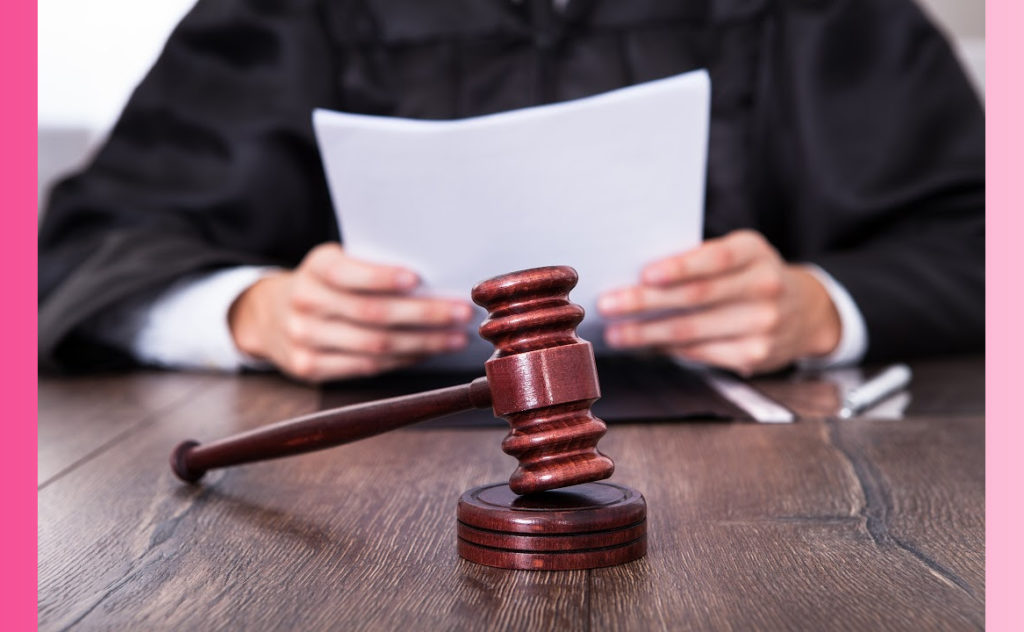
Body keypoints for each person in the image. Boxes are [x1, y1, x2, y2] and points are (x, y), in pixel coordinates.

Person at [38, 0, 985, 382]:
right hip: (365, 487)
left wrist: (820, 306)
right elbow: (92, 245)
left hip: (772, 493)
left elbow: (983, 233)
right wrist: (251, 312)